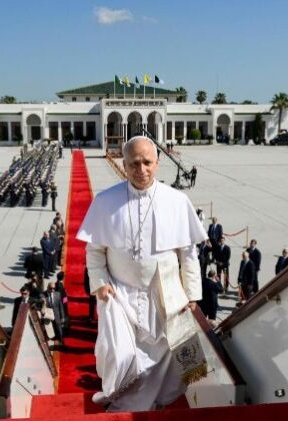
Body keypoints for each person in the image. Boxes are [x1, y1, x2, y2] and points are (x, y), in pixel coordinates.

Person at [77, 135, 207, 412]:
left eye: (147, 162)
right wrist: (100, 283)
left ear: (157, 163)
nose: (141, 169)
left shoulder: (177, 201)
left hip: (164, 294)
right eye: (134, 163)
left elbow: (188, 254)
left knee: (165, 357)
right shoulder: (105, 201)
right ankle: (127, 404)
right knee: (122, 355)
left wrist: (193, 294)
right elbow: (95, 251)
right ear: (124, 164)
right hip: (120, 295)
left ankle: (157, 402)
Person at [44, 281, 65, 346]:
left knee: (59, 329)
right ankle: (53, 344)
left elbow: (60, 306)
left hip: (57, 315)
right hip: (48, 316)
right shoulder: (44, 295)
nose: (52, 290)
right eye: (51, 288)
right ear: (47, 287)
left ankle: (61, 342)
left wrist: (62, 317)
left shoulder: (58, 294)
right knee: (50, 331)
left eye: (54, 288)